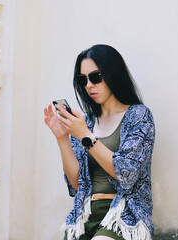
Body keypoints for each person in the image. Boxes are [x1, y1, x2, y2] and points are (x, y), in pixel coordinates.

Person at [43, 44, 155, 240]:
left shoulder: (139, 116)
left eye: (95, 77)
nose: (88, 85)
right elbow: (78, 185)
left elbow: (126, 174)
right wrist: (62, 138)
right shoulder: (85, 123)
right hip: (85, 214)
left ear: (113, 74)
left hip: (123, 213)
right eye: (82, 79)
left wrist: (86, 137)